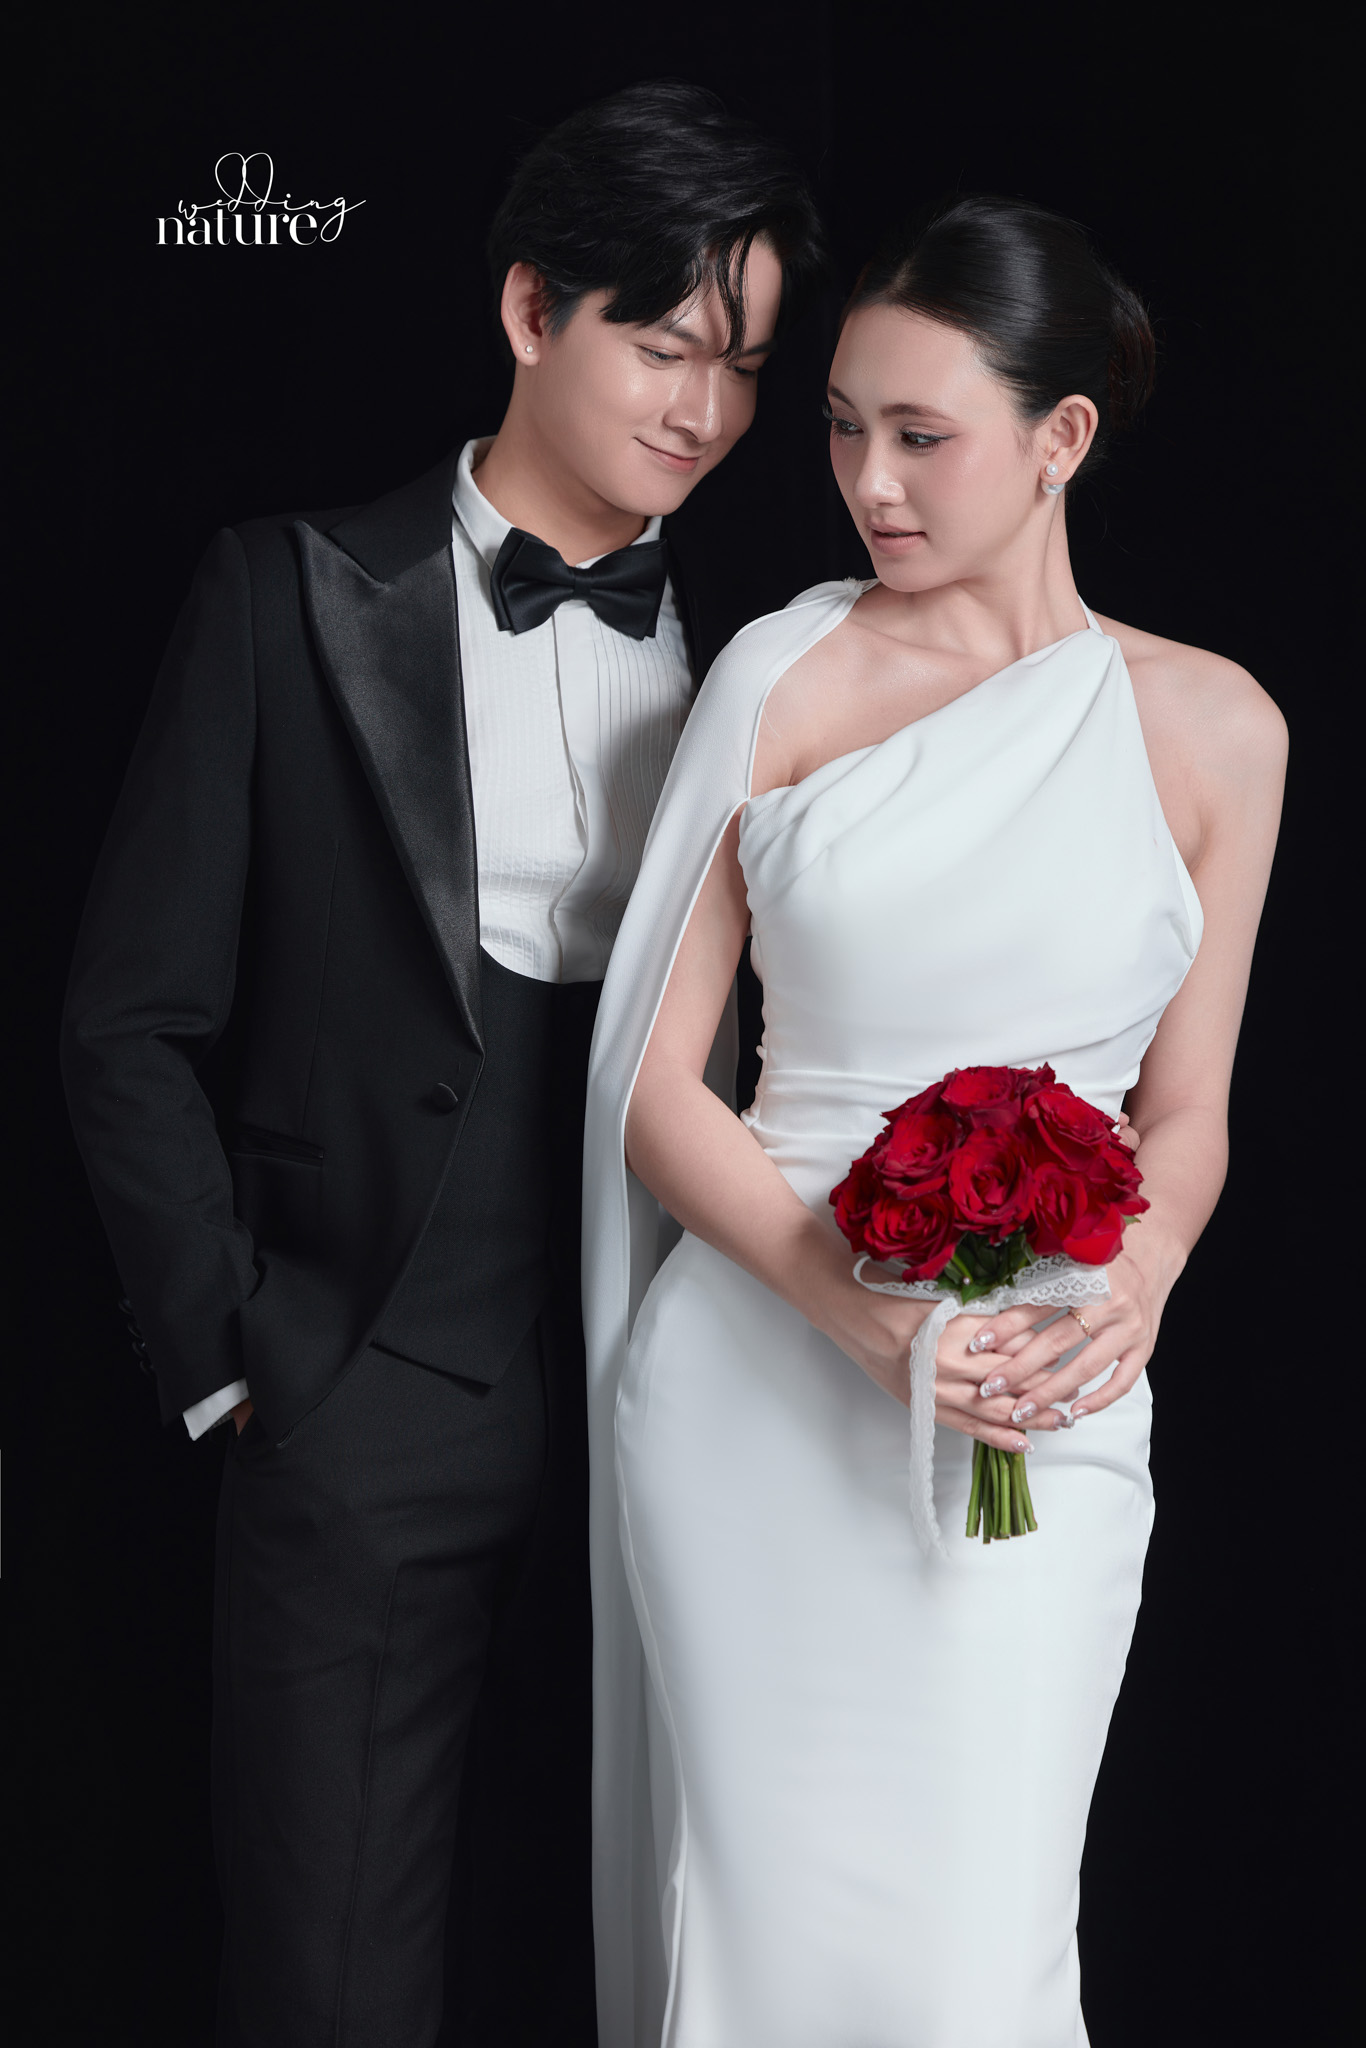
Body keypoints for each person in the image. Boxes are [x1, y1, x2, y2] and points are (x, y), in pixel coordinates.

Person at [60, 82, 825, 2047]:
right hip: (359, 1402)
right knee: (335, 1986)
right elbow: (129, 1020)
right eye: (664, 347)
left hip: (679, 1409)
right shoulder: (285, 590)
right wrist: (242, 1356)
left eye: (745, 368)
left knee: (647, 1969)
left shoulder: (774, 657)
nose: (705, 412)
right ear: (528, 310)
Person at [583, 193, 1286, 2045]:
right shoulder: (782, 676)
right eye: (840, 427)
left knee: (976, 1959)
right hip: (758, 1380)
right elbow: (652, 1083)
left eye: (920, 434)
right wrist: (874, 1323)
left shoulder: (1219, 729)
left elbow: (1188, 1108)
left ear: (1061, 438)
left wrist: (1137, 1277)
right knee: (768, 1940)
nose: (866, 484)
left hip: (1046, 1391)